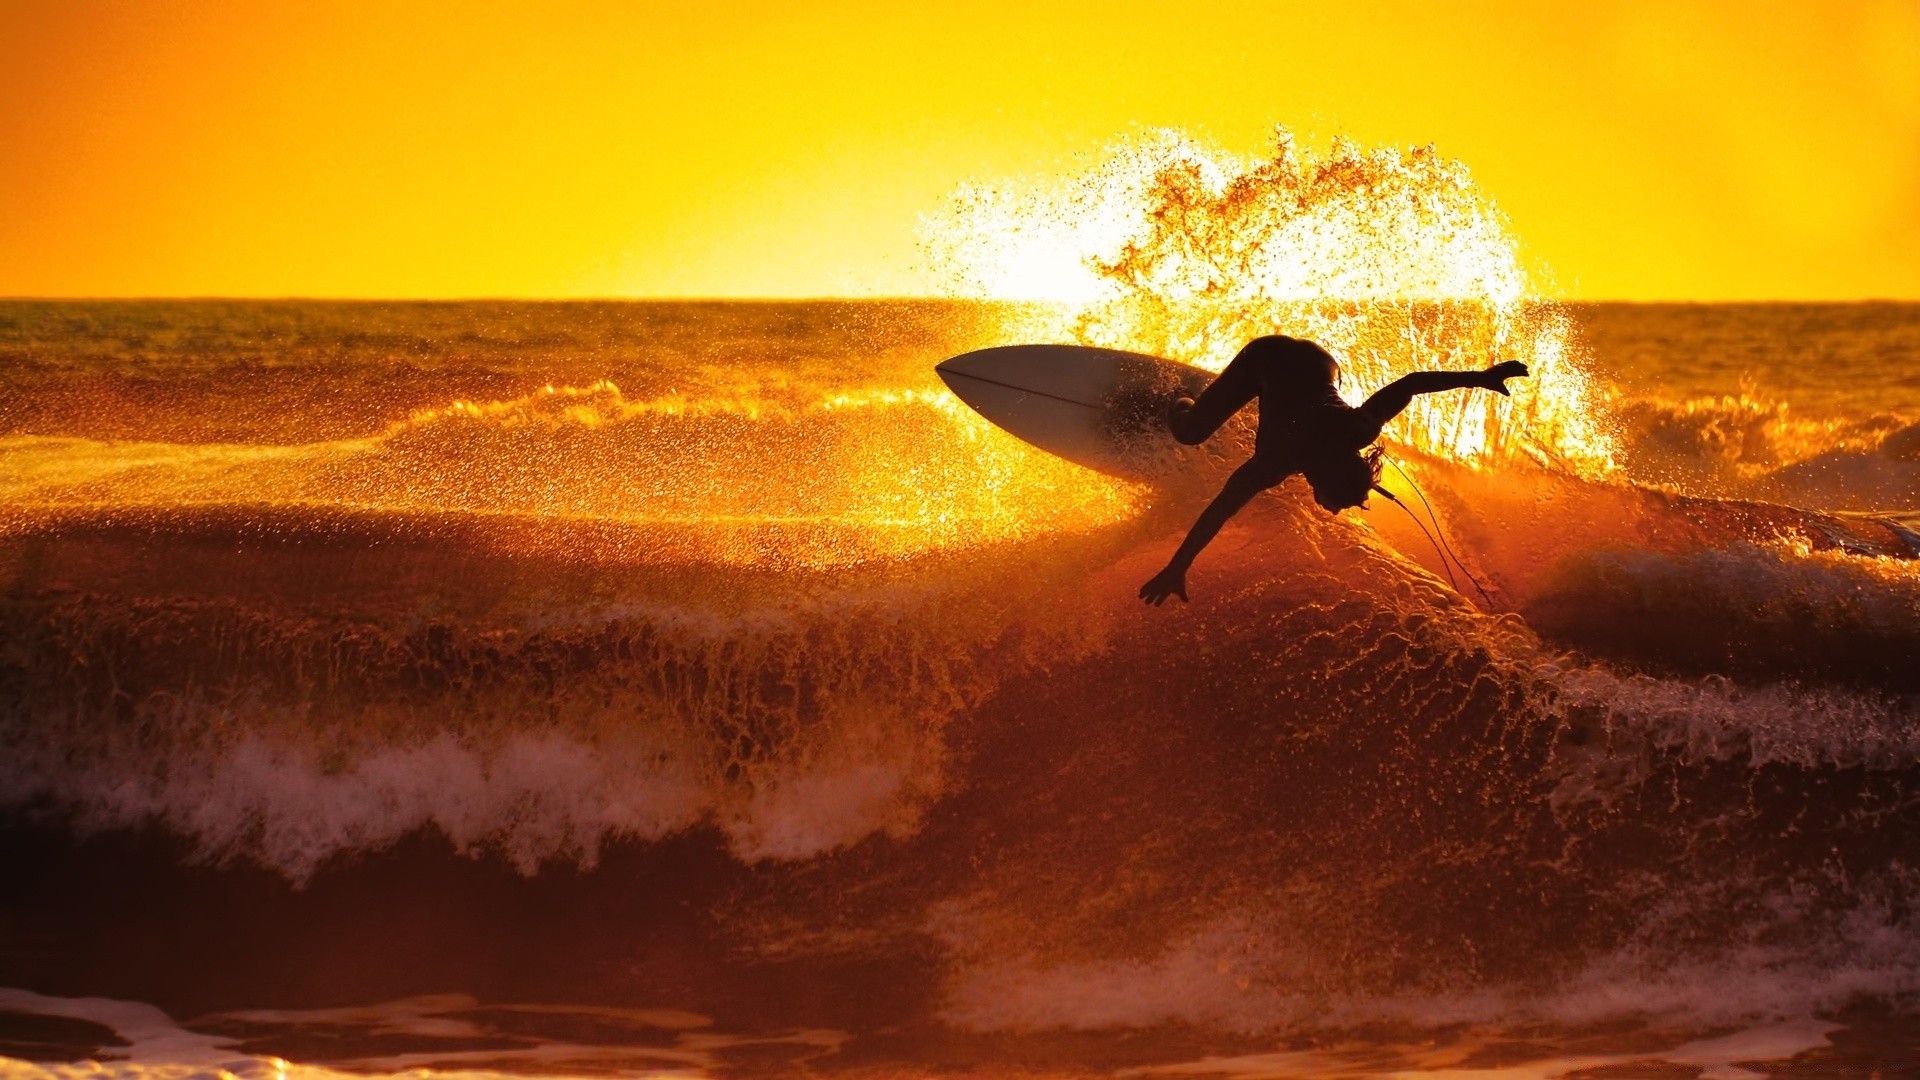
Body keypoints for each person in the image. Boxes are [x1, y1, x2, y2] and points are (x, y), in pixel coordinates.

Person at [1138, 335, 1528, 605]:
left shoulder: (1359, 429)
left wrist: (1479, 378)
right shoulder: (1275, 462)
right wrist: (1177, 568)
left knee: (1293, 399)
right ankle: (1179, 397)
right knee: (1190, 434)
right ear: (1324, 478)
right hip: (1267, 356)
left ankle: (1234, 396)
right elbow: (1218, 511)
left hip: (1322, 361)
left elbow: (1411, 384)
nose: (1335, 510)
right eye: (1337, 501)